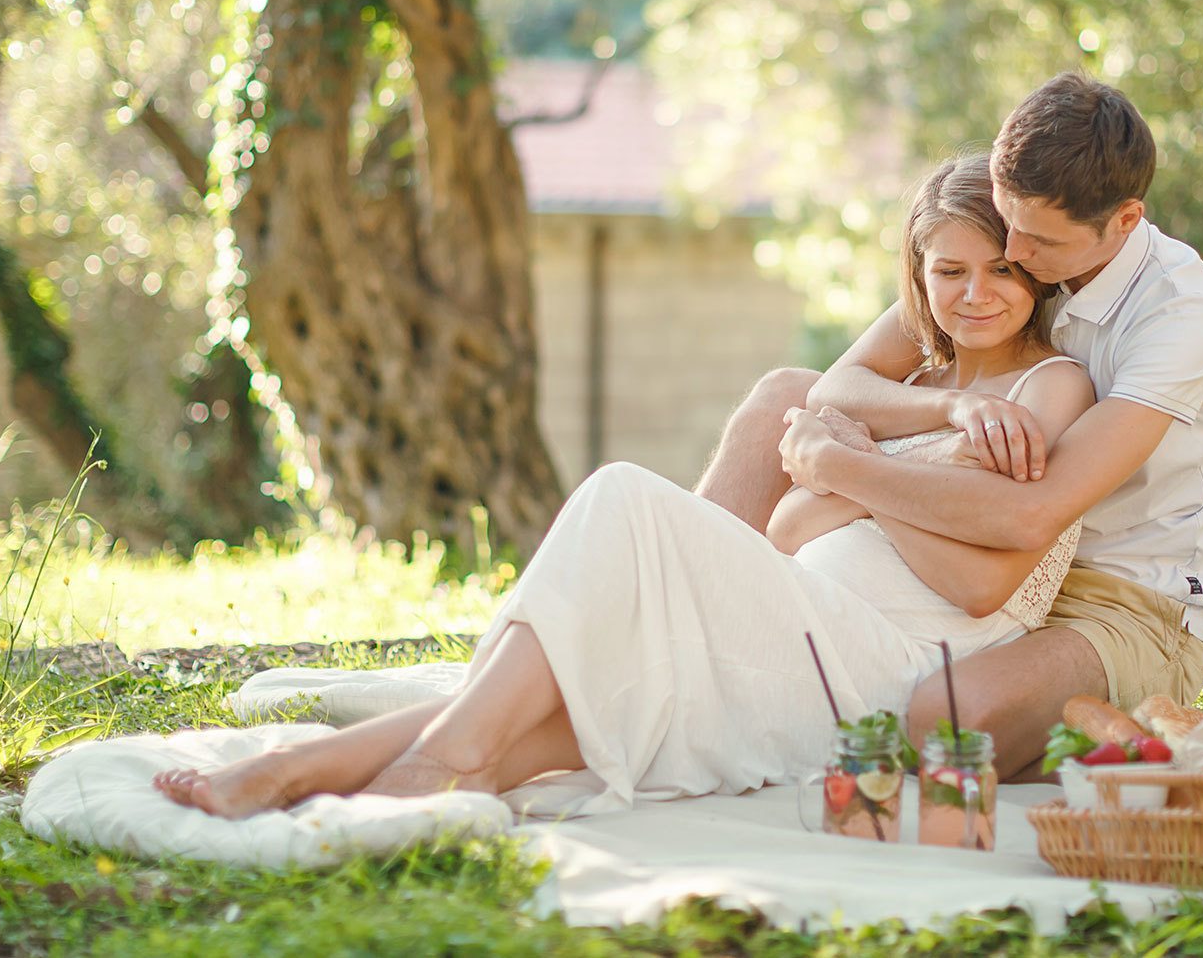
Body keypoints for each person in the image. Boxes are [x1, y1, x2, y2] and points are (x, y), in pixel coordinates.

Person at [154, 155, 1095, 818]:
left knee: (623, 500)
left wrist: (850, 471)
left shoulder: (1049, 384)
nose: (977, 293)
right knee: (584, 697)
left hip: (891, 659)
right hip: (802, 620)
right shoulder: (920, 389)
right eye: (950, 271)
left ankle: (441, 751)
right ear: (917, 280)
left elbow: (981, 575)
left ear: (1034, 272)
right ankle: (310, 772)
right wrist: (883, 470)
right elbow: (793, 523)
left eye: (1003, 270)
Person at [695, 72, 1203, 781]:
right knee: (785, 395)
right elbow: (840, 382)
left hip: (1122, 596)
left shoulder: (1178, 315)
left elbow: (1032, 514)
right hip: (983, 541)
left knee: (946, 723)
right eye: (1006, 218)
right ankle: (688, 596)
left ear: (1125, 221)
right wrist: (953, 406)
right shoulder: (1013, 238)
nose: (1010, 248)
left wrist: (844, 470)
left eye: (1033, 239)